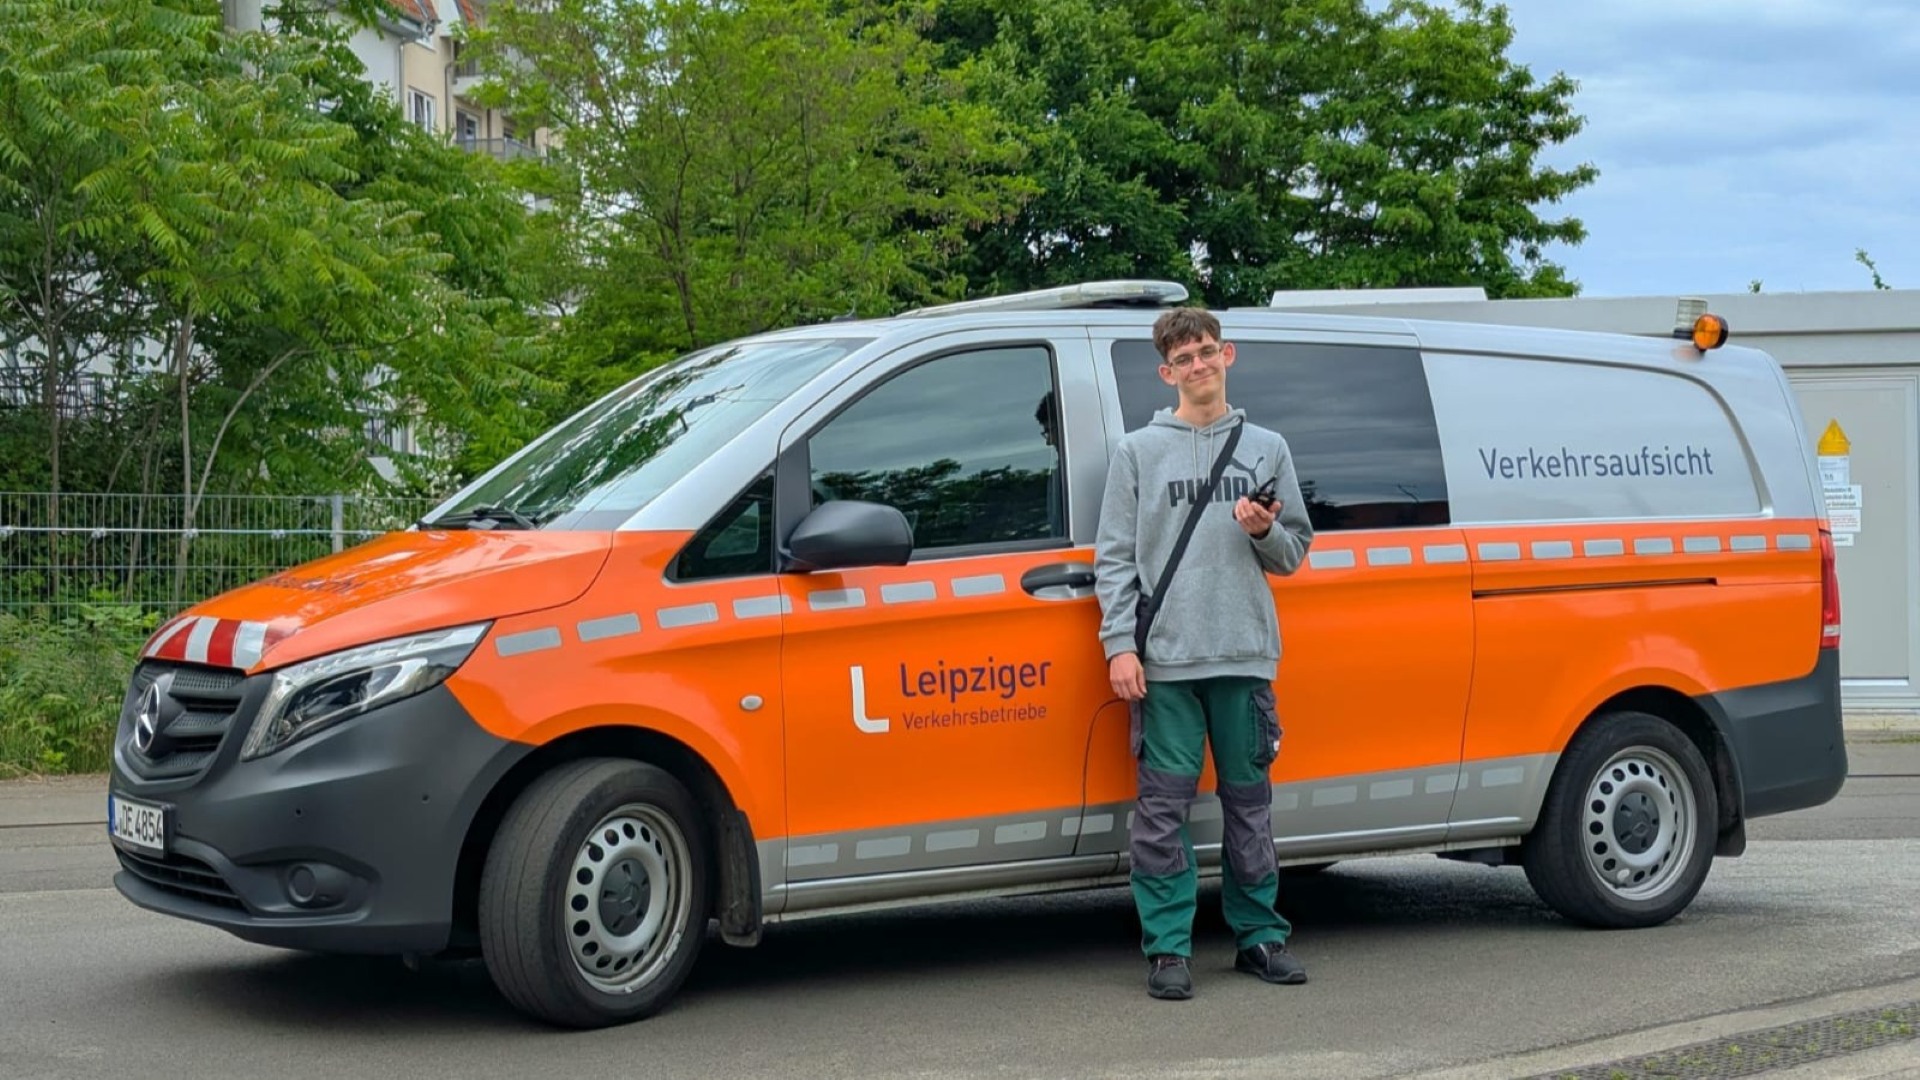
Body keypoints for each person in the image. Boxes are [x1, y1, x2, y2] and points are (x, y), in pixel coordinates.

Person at [1093, 306, 1314, 1001]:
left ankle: (1261, 938)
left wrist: (1261, 533)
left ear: (1229, 357)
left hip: (1245, 655)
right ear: (1167, 372)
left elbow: (1294, 553)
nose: (1199, 366)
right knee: (1163, 812)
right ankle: (1167, 949)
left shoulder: (1267, 446)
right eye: (1184, 359)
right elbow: (1115, 561)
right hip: (1166, 664)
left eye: (1208, 353)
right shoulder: (1137, 452)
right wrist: (1119, 646)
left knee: (1251, 806)